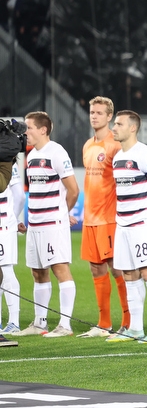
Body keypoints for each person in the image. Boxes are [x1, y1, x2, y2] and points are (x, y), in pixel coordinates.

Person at [104, 111, 147, 343]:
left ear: (132, 128)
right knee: (129, 274)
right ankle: (135, 329)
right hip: (123, 223)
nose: (114, 127)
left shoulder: (143, 153)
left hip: (143, 222)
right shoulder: (117, 156)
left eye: (119, 124)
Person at [13, 111, 79, 338]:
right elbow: (34, 192)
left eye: (29, 128)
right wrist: (27, 220)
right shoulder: (30, 157)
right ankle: (40, 323)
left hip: (53, 224)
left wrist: (63, 213)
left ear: (43, 129)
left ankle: (65, 325)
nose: (25, 132)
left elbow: (73, 190)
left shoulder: (57, 152)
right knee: (37, 272)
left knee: (60, 269)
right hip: (35, 224)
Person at [77, 96, 130, 338]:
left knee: (117, 268)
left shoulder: (115, 145)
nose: (94, 116)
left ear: (110, 117)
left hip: (109, 218)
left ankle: (128, 323)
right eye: (92, 112)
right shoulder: (88, 145)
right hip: (90, 218)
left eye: (99, 112)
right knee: (96, 269)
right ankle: (103, 323)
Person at [0, 161, 25, 342]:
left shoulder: (7, 160)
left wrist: (12, 220)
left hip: (3, 225)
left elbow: (19, 196)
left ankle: (14, 322)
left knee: (6, 270)